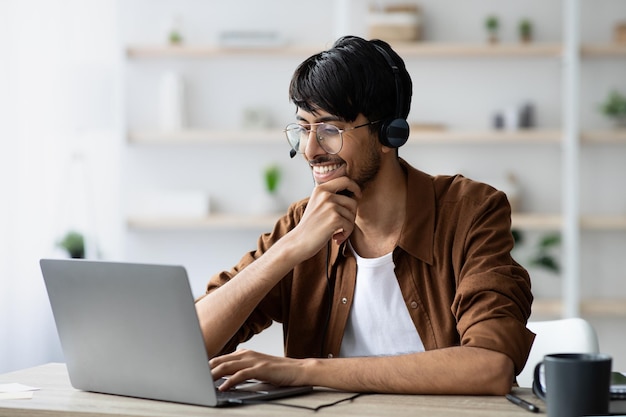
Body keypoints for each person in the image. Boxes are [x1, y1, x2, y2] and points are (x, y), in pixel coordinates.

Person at [195, 35, 534, 395]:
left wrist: (306, 371)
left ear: (390, 134)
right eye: (304, 128)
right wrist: (289, 248)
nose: (311, 150)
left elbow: (489, 366)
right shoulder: (302, 222)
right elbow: (189, 343)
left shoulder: (469, 212)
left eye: (329, 130)